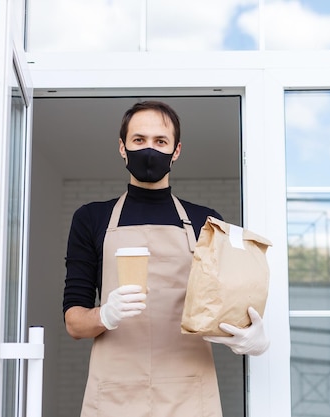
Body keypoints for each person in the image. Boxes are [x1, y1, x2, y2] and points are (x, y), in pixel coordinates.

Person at [63, 100, 269, 417]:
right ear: (122, 147)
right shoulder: (92, 218)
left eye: (160, 142)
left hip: (188, 391)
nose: (149, 150)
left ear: (176, 151)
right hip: (117, 391)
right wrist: (106, 315)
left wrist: (249, 338)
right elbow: (74, 323)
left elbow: (223, 306)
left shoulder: (207, 222)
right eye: (139, 140)